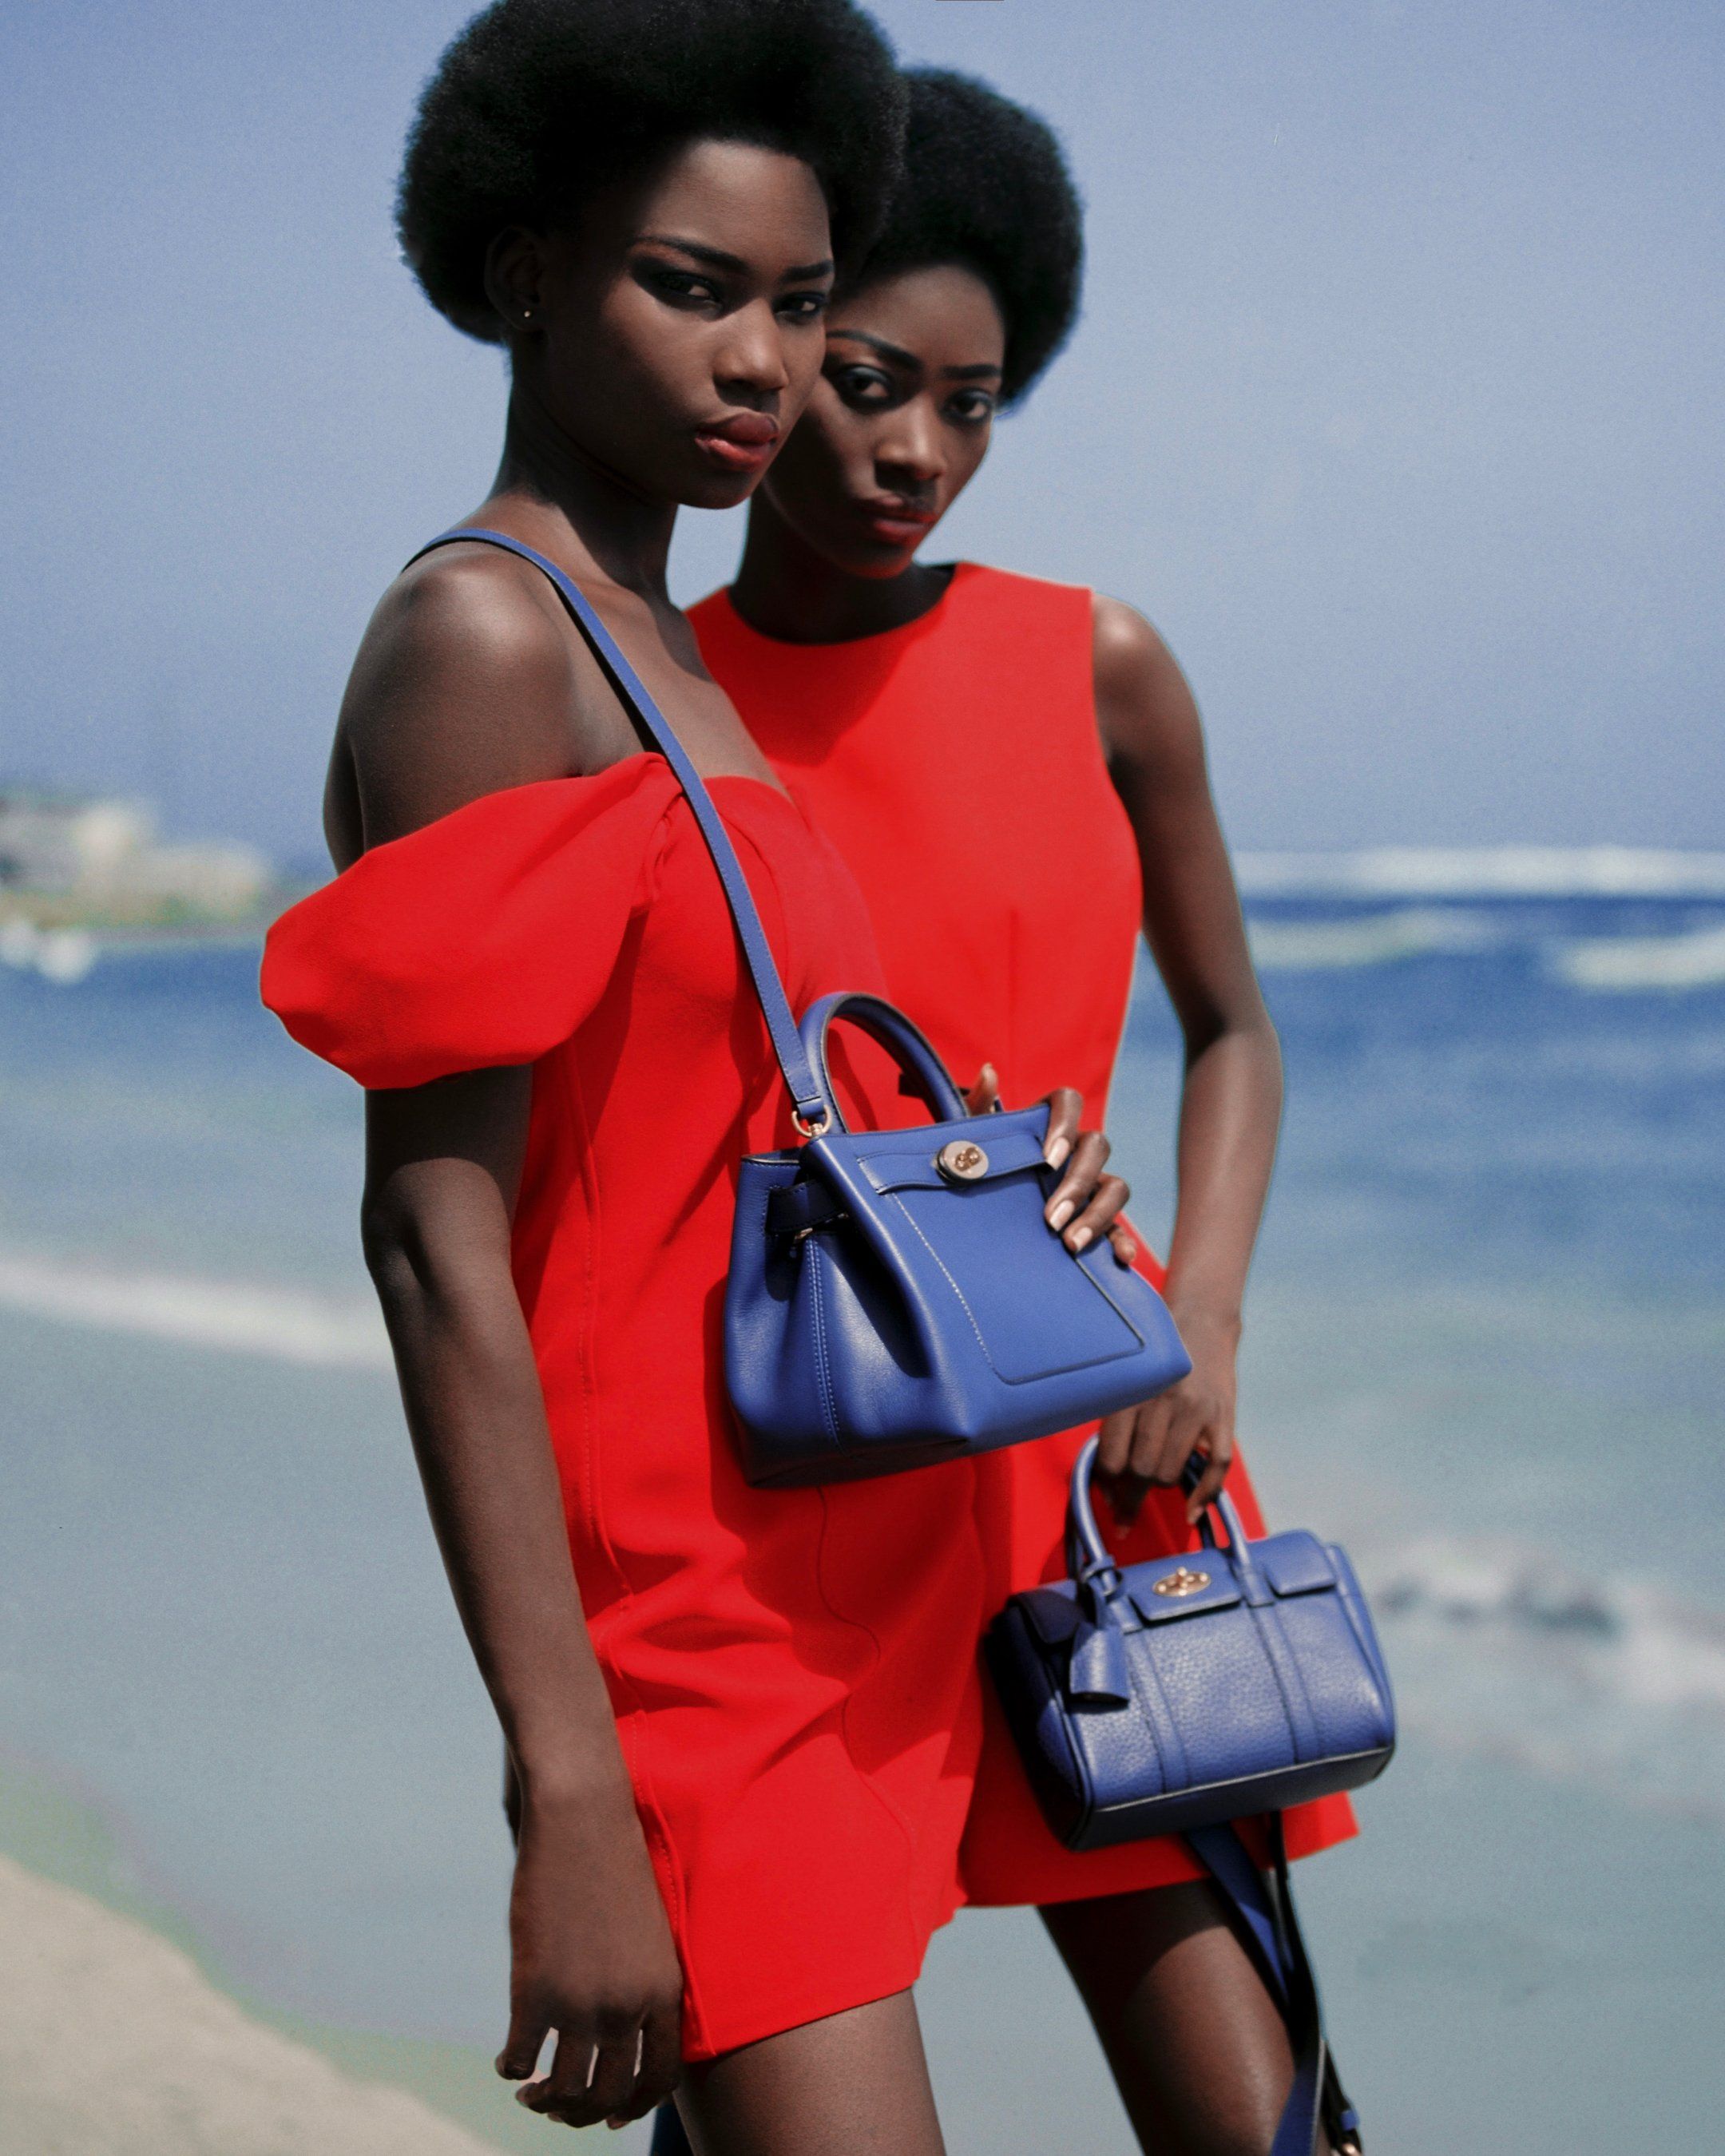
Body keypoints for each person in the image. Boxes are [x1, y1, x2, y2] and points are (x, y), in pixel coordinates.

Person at [260, 8, 1133, 2149]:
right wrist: (565, 1781)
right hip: (684, 1651)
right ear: (531, 264)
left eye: (800, 301)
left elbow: (716, 1128)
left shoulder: (668, 650)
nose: (760, 358)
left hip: (860, 1594)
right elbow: (436, 1242)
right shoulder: (490, 640)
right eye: (692, 286)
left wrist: (1028, 1176)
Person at [688, 69, 1358, 2154]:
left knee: (1262, 2122)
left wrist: (1212, 1324)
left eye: (972, 404)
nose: (914, 452)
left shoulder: (1101, 668)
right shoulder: (650, 697)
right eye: (871, 377)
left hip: (1097, 1467)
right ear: (779, 341)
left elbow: (1231, 1026)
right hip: (800, 1483)